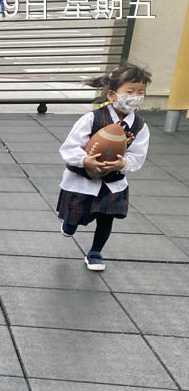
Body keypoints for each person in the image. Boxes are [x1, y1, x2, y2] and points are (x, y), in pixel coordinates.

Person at [56, 62, 152, 271]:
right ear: (111, 94)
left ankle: (95, 252)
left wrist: (123, 163)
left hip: (112, 182)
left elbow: (138, 155)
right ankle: (70, 222)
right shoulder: (92, 118)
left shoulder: (139, 126)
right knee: (76, 213)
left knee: (106, 217)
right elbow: (70, 146)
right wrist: (85, 160)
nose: (135, 97)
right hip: (83, 179)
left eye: (140, 92)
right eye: (130, 91)